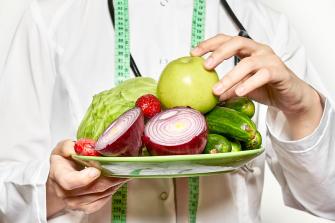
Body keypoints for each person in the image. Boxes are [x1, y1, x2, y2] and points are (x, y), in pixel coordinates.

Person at [0, 0, 334, 222]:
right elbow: (5, 191)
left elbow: (327, 200)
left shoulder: (264, 26)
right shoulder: (49, 18)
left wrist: (301, 106)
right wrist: (52, 192)